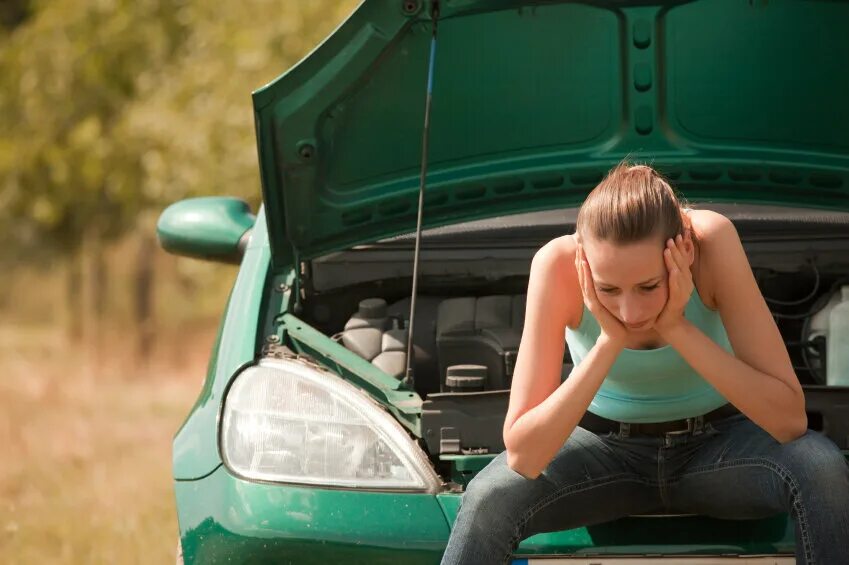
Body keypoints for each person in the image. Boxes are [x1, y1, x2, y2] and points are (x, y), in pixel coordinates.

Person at [440, 162, 849, 565]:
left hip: (721, 449)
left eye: (649, 285)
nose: (629, 311)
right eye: (608, 289)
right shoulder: (556, 265)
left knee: (821, 467)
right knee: (487, 498)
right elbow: (524, 457)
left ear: (683, 249)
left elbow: (789, 420)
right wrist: (607, 343)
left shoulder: (712, 242)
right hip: (603, 452)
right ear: (583, 261)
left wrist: (677, 328)